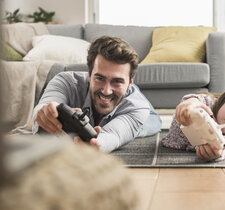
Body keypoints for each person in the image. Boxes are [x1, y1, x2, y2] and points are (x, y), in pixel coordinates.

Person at [32, 36, 161, 152]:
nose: (106, 90)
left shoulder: (138, 107)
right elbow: (43, 107)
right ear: (89, 74)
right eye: (100, 78)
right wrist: (45, 113)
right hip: (121, 93)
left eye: (117, 81)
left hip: (142, 113)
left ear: (130, 82)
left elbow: (113, 136)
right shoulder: (65, 82)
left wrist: (96, 144)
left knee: (147, 126)